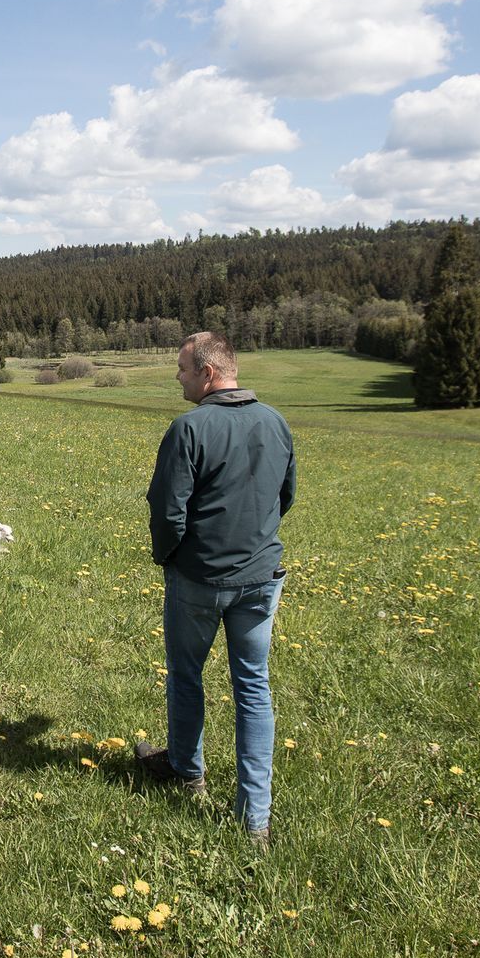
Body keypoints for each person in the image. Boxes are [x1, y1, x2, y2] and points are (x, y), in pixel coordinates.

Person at [134, 331, 295, 845]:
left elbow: (167, 511)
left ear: (207, 373)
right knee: (254, 688)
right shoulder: (276, 421)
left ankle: (187, 773)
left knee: (186, 676)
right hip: (260, 580)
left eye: (181, 369)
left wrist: (170, 559)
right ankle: (256, 821)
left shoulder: (189, 428)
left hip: (199, 579)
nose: (176, 377)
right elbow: (285, 496)